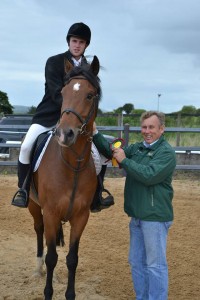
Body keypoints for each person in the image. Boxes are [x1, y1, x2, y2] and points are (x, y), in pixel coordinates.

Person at [12, 22, 114, 211]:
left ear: (86, 45)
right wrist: (70, 113)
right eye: (74, 41)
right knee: (26, 146)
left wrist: (84, 117)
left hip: (80, 121)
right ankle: (23, 190)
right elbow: (54, 92)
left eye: (81, 42)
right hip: (49, 115)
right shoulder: (54, 62)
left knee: (102, 153)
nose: (77, 45)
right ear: (69, 42)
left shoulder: (89, 68)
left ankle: (98, 193)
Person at [93, 111, 176, 299]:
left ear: (161, 129)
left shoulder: (166, 153)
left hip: (154, 217)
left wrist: (124, 160)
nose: (147, 131)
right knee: (137, 262)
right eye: (144, 127)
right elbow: (110, 152)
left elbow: (149, 175)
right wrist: (95, 132)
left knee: (155, 265)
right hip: (137, 216)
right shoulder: (138, 148)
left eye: (151, 127)